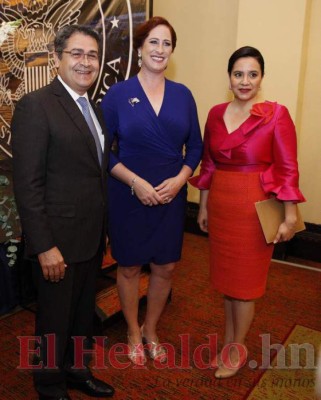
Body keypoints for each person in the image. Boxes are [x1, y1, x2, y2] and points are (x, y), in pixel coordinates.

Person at [189, 46, 305, 379]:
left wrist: (290, 216)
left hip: (255, 207)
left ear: (261, 78)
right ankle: (228, 344)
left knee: (245, 287)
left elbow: (287, 168)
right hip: (222, 205)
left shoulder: (276, 115)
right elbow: (208, 164)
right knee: (227, 285)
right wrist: (204, 205)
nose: (245, 81)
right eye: (238, 74)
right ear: (229, 77)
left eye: (252, 74)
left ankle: (236, 351)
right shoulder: (214, 113)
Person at [12, 25, 114, 399]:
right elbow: (28, 184)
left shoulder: (94, 108)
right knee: (54, 321)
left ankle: (76, 370)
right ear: (57, 58)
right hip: (56, 243)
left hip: (89, 237)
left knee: (81, 315)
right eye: (77, 53)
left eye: (92, 55)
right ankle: (50, 385)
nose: (85, 62)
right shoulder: (36, 105)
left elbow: (94, 174)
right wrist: (44, 246)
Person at [101, 16, 202, 366]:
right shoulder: (117, 94)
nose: (160, 49)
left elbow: (197, 148)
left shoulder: (183, 95)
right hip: (128, 196)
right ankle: (131, 330)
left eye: (167, 43)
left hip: (171, 198)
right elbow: (104, 150)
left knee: (166, 268)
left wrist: (180, 179)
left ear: (172, 51)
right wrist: (136, 182)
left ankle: (151, 329)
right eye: (154, 42)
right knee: (128, 267)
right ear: (140, 48)